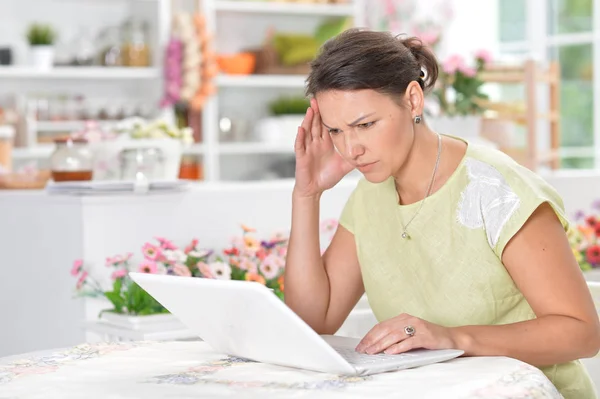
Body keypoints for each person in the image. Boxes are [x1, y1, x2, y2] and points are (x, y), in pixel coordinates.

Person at [283, 28, 600, 399]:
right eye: (336, 131)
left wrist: (451, 338)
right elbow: (313, 322)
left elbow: (582, 333)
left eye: (365, 125)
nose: (351, 148)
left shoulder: (498, 191)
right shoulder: (370, 193)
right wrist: (307, 195)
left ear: (413, 100)